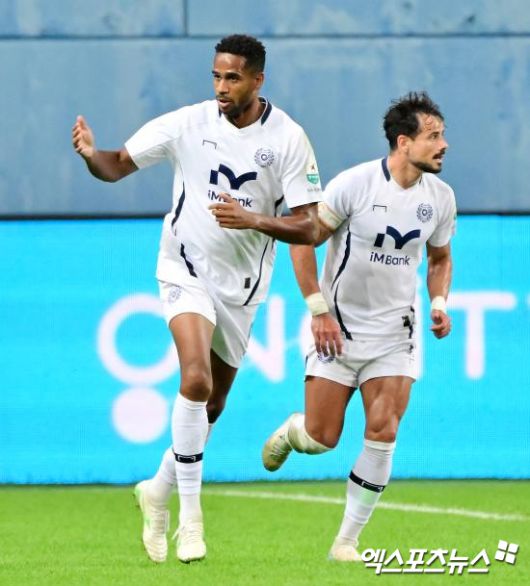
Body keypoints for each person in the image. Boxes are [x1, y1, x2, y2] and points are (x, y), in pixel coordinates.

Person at [72, 34, 322, 564]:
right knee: (195, 378)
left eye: (233, 77)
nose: (221, 87)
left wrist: (253, 220)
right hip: (183, 267)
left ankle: (156, 489)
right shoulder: (188, 123)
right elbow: (117, 164)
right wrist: (92, 155)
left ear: (258, 80)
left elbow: (310, 227)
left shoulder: (288, 138)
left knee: (212, 406)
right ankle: (190, 521)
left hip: (242, 288)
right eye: (216, 76)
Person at [261, 91, 456, 562]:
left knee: (384, 429)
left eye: (443, 135)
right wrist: (317, 309)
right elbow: (304, 239)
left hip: (396, 335)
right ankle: (294, 431)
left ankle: (346, 542)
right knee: (321, 439)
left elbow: (440, 258)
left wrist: (439, 301)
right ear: (404, 142)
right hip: (339, 331)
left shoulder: (441, 198)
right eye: (433, 136)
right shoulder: (355, 185)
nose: (444, 144)